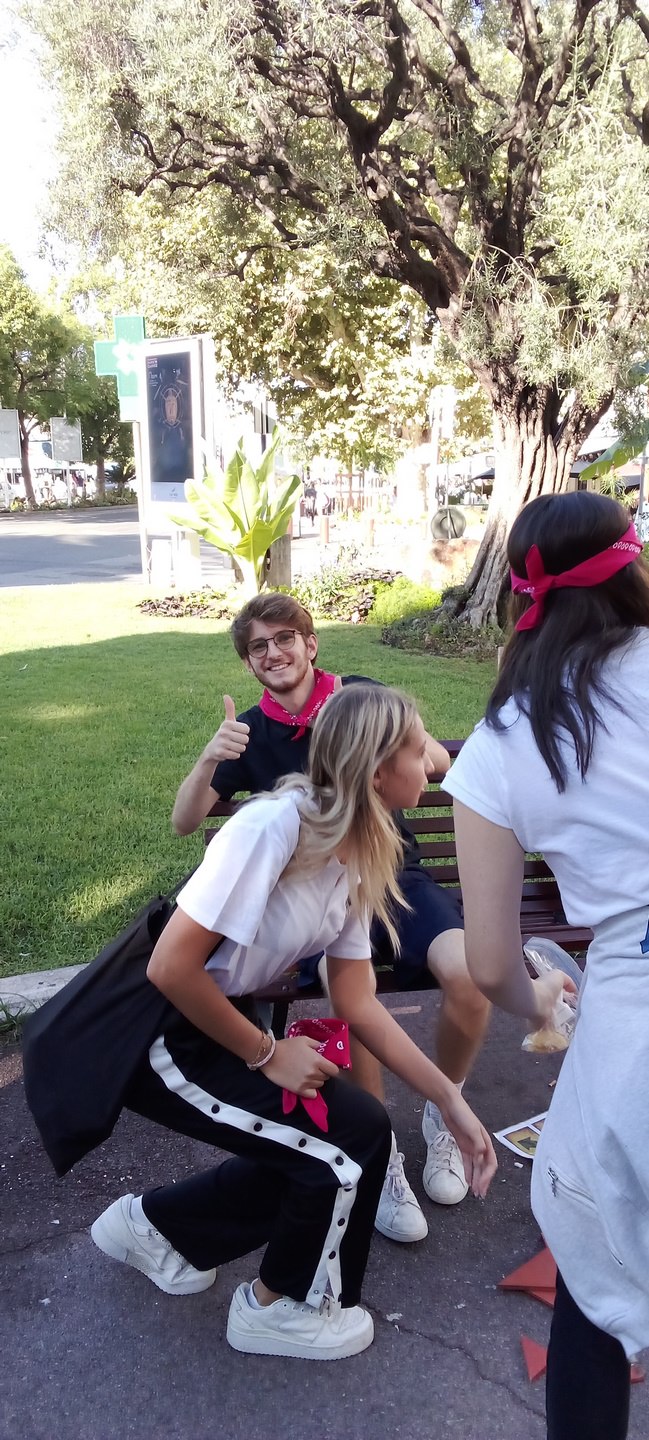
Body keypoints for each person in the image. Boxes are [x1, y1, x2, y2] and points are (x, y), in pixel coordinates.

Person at [91, 684, 497, 1361]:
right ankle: (280, 1309)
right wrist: (265, 1053)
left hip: (208, 1016)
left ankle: (156, 1230)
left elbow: (357, 1001)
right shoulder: (273, 828)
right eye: (416, 745)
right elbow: (169, 967)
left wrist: (448, 1099)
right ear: (377, 772)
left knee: (347, 1127)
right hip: (152, 1031)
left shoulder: (359, 850)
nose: (430, 759)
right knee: (344, 1142)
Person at [172, 592, 491, 1240]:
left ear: (310, 642)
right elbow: (182, 840)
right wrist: (265, 1052)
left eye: (284, 638)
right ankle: (378, 1152)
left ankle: (422, 1122)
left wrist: (446, 1097)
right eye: (258, 646)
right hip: (186, 1006)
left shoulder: (360, 700)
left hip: (388, 875)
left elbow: (435, 760)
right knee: (309, 1137)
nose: (273, 653)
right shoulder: (266, 788)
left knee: (458, 974)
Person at [443, 491, 648, 1440]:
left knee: (594, 1273)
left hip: (631, 1009)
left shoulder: (500, 742)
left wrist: (542, 1004)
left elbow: (489, 963)